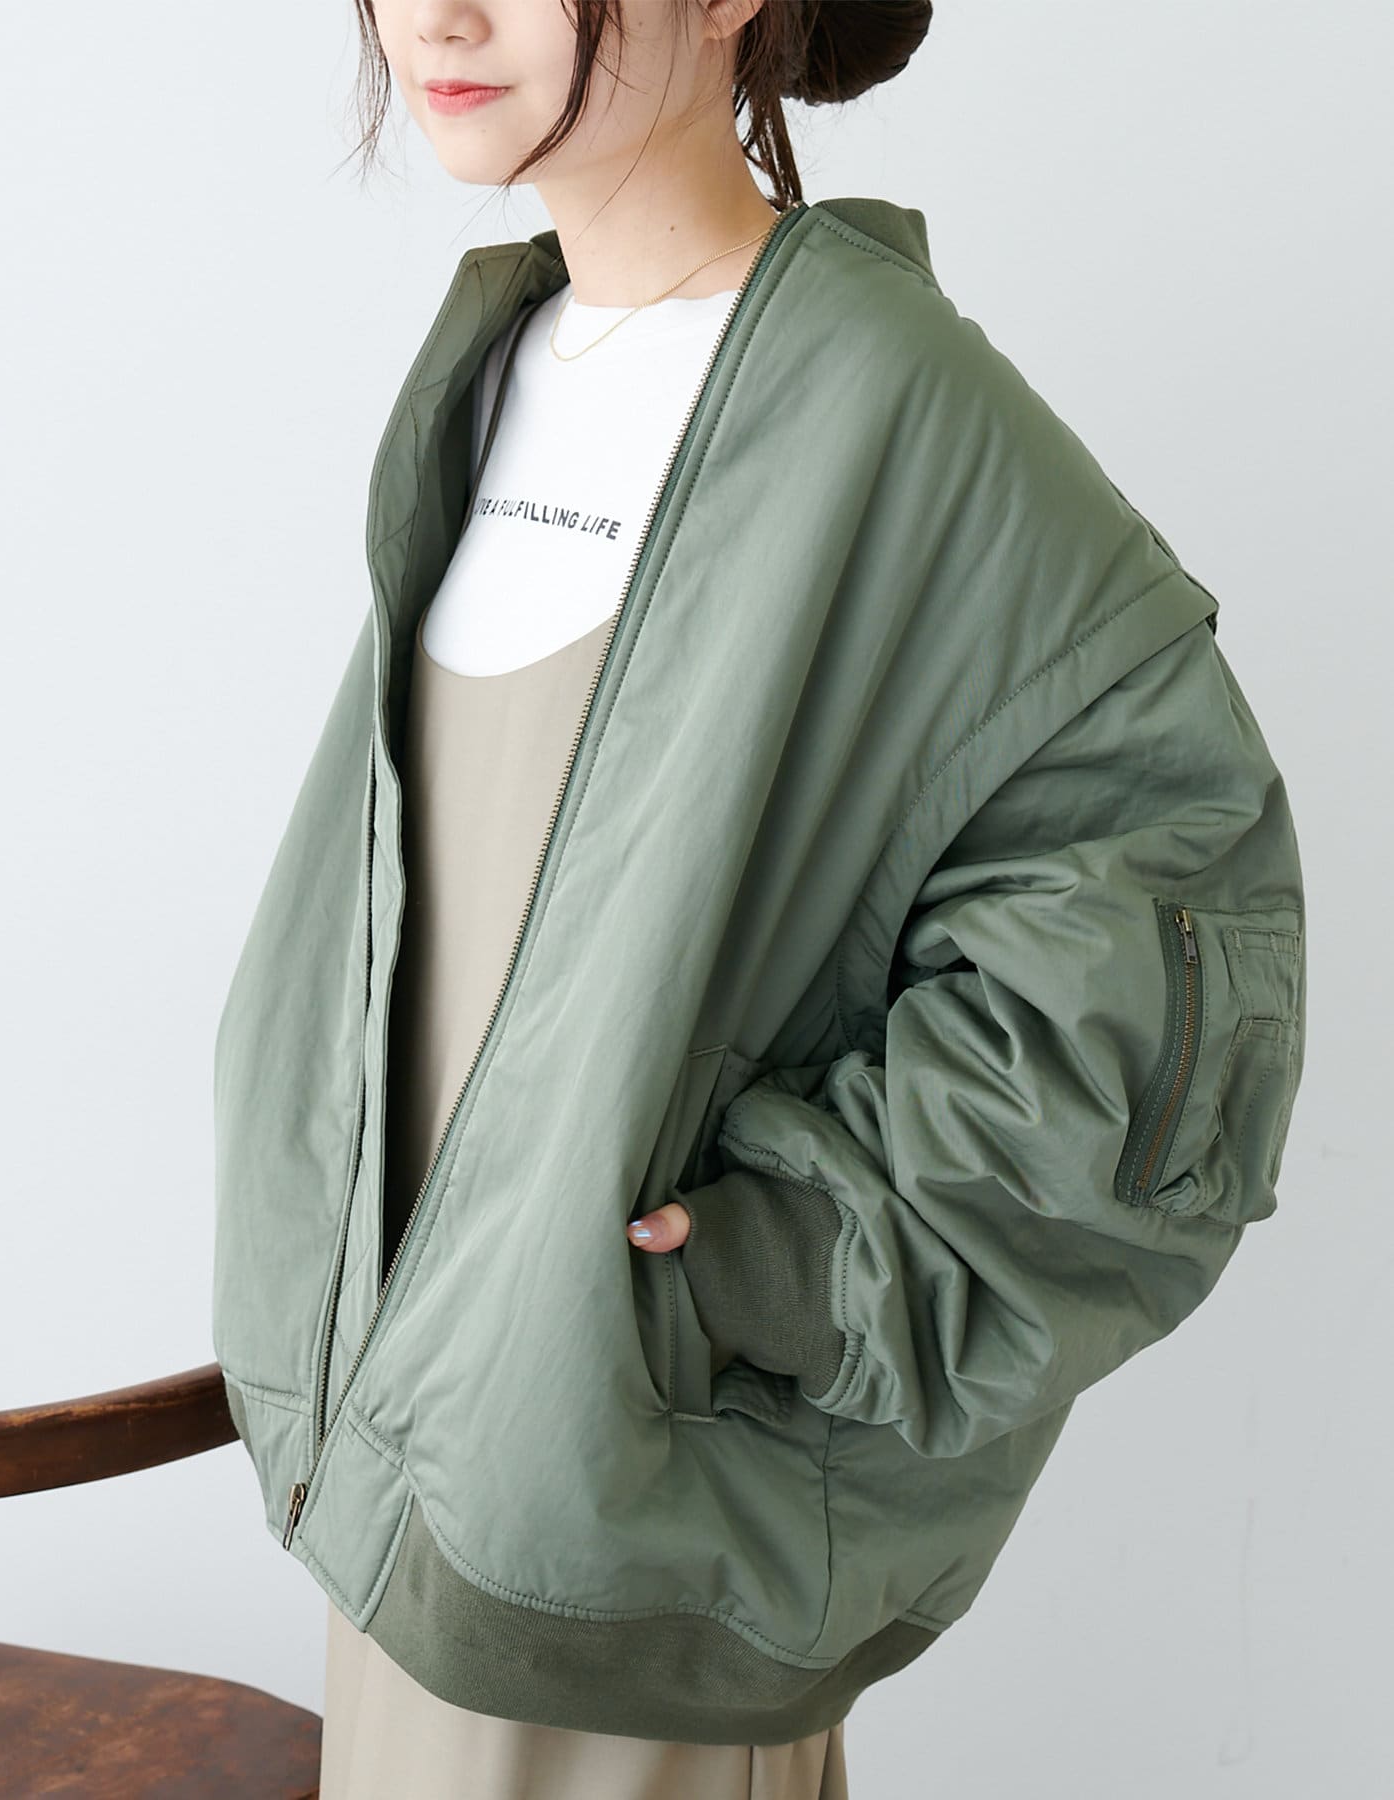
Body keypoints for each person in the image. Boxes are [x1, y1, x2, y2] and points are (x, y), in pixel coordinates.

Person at [209, 3, 1307, 1796]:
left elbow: (1166, 948)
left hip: (622, 1510)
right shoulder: (502, 362)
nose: (439, 18)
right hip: (405, 1495)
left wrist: (777, 1267)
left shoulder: (889, 405)